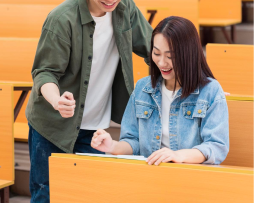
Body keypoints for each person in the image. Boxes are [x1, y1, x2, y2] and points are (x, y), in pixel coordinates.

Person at [25, 0, 153, 202]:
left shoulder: (124, 6)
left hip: (95, 127)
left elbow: (153, 48)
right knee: (46, 195)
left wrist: (198, 81)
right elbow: (44, 73)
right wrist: (56, 100)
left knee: (90, 194)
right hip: (52, 126)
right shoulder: (62, 19)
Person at [91, 16, 229, 165]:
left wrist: (178, 156)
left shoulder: (210, 91)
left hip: (191, 177)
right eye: (156, 54)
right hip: (150, 175)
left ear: (189, 54)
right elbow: (132, 141)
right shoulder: (142, 89)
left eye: (170, 56)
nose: (161, 63)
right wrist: (112, 146)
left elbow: (216, 146)